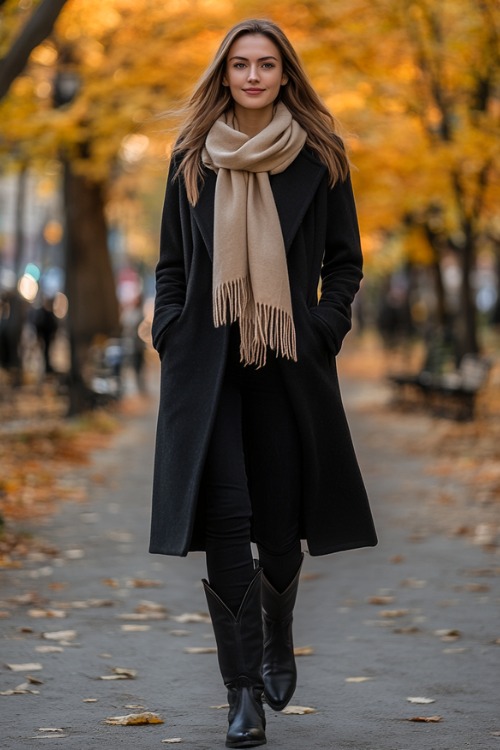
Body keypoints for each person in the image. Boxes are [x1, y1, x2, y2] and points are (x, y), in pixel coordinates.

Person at [150, 18, 377, 748]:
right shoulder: (191, 158)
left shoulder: (320, 157)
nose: (252, 76)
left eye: (266, 65)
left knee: (280, 532)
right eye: (240, 65)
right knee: (227, 520)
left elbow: (345, 263)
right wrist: (170, 327)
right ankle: (240, 692)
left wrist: (321, 327)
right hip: (208, 374)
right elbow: (170, 267)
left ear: (285, 75)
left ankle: (277, 630)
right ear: (224, 74)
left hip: (286, 367)